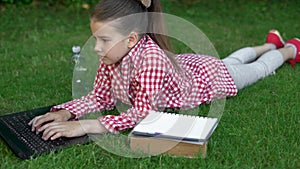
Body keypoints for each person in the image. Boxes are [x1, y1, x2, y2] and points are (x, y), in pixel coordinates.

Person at [29, 0, 300, 141]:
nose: (97, 48)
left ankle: (289, 50)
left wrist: (87, 125)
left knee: (255, 70)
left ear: (131, 39)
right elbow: (101, 97)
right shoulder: (113, 54)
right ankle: (268, 43)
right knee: (231, 59)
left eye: (104, 40)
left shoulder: (150, 59)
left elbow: (144, 112)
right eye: (96, 38)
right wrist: (65, 111)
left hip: (214, 78)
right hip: (196, 66)